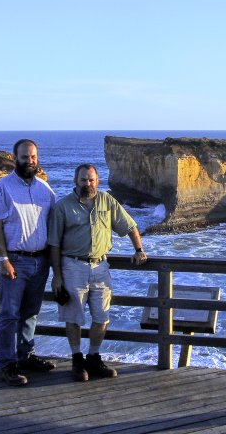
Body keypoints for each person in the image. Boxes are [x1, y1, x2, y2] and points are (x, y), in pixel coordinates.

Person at [48, 163, 147, 382]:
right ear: (76, 181)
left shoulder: (107, 201)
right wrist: (56, 275)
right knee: (73, 317)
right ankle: (76, 360)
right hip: (72, 266)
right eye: (83, 180)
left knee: (102, 316)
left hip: (101, 267)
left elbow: (130, 226)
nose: (88, 184)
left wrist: (139, 249)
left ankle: (93, 357)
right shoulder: (62, 207)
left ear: (97, 181)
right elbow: (53, 244)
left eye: (91, 180)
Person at [0, 139, 57, 386]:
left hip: (41, 261)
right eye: (25, 157)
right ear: (14, 158)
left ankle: (26, 356)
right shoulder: (2, 187)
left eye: (33, 157)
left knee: (31, 313)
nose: (30, 161)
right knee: (9, 313)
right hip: (15, 261)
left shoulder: (45, 190)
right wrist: (4, 259)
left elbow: (53, 225)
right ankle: (7, 364)